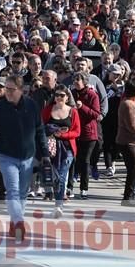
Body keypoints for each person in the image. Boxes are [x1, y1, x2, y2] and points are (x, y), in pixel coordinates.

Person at [0, 74, 49, 240]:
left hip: (28, 157)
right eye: (5, 89)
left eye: (11, 89)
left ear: (21, 90)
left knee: (22, 193)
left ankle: (14, 221)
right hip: (6, 156)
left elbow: (40, 131)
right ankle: (19, 223)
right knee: (13, 191)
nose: (7, 92)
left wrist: (44, 154)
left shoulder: (31, 106)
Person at [40, 84, 80, 218]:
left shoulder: (73, 111)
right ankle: (57, 201)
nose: (58, 98)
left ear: (67, 97)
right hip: (51, 147)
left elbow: (77, 131)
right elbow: (41, 127)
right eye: (56, 95)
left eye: (62, 95)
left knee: (62, 176)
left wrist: (62, 135)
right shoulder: (48, 109)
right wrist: (51, 131)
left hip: (68, 148)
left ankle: (58, 205)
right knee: (55, 176)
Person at [71, 71, 101, 199]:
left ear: (84, 81)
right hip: (75, 131)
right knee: (74, 159)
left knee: (85, 160)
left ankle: (84, 189)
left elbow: (96, 114)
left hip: (89, 133)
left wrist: (82, 106)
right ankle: (70, 186)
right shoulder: (72, 94)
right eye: (74, 79)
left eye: (78, 79)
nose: (76, 82)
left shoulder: (92, 95)